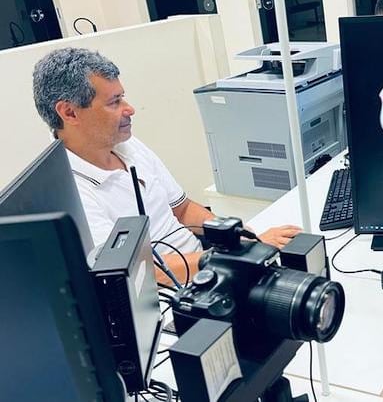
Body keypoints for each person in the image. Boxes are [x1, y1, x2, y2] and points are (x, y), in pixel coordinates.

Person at [32, 47, 301, 285]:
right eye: (114, 102)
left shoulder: (128, 145)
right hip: (170, 292)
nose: (130, 109)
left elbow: (183, 211)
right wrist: (236, 257)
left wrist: (243, 239)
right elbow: (137, 273)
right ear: (69, 112)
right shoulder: (68, 194)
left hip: (208, 266)